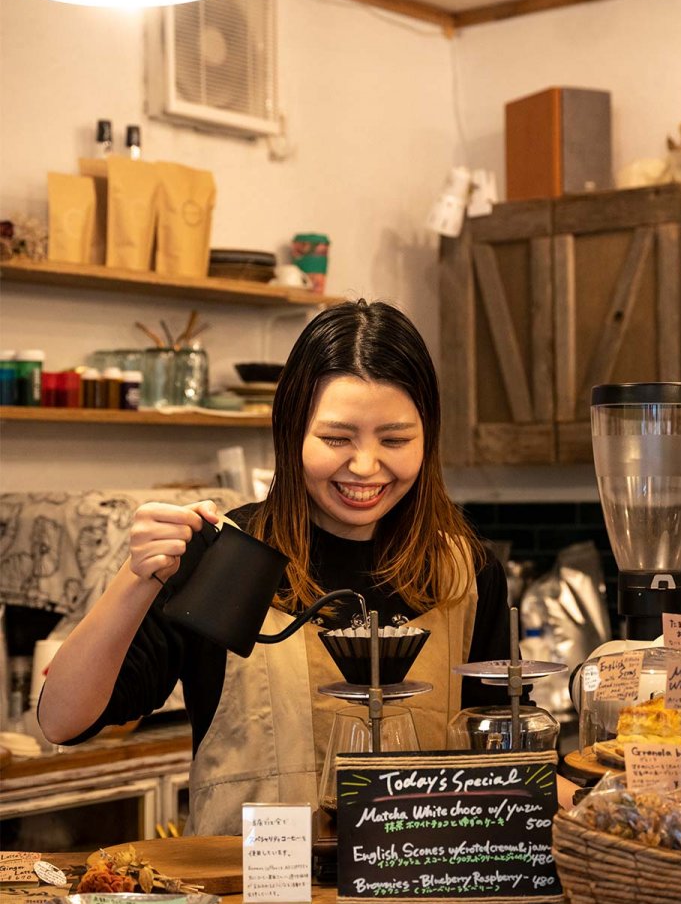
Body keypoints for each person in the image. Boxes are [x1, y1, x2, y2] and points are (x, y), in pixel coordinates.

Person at [39, 299, 549, 835]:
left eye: (395, 440)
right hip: (248, 881)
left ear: (429, 438)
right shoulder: (229, 560)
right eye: (336, 439)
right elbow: (63, 721)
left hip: (421, 877)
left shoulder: (463, 571)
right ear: (291, 432)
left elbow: (507, 758)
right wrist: (137, 576)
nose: (365, 466)